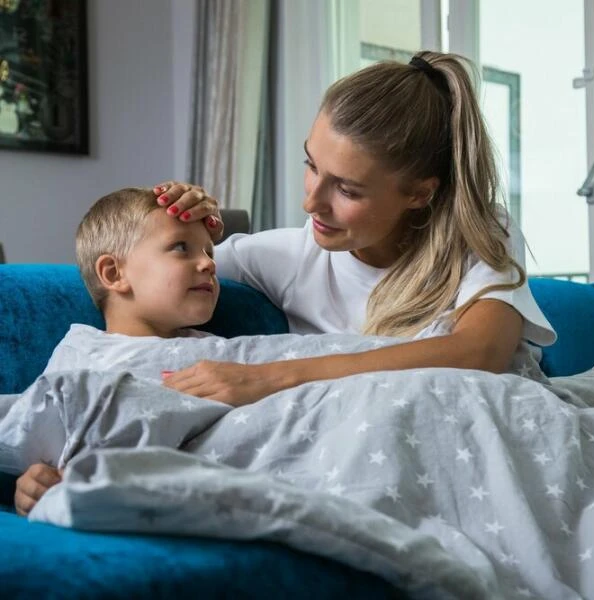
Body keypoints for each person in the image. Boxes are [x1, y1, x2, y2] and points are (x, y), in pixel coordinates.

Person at [152, 51, 556, 406]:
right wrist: (176, 225)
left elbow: (480, 352)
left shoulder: (480, 233)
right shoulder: (287, 258)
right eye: (311, 165)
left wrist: (271, 377)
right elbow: (144, 271)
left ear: (419, 193)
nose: (310, 203)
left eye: (346, 189)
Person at [15, 186, 220, 515]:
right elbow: (42, 434)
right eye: (182, 247)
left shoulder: (218, 350)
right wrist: (33, 483)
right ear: (113, 273)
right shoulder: (83, 354)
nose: (208, 264)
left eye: (210, 253)